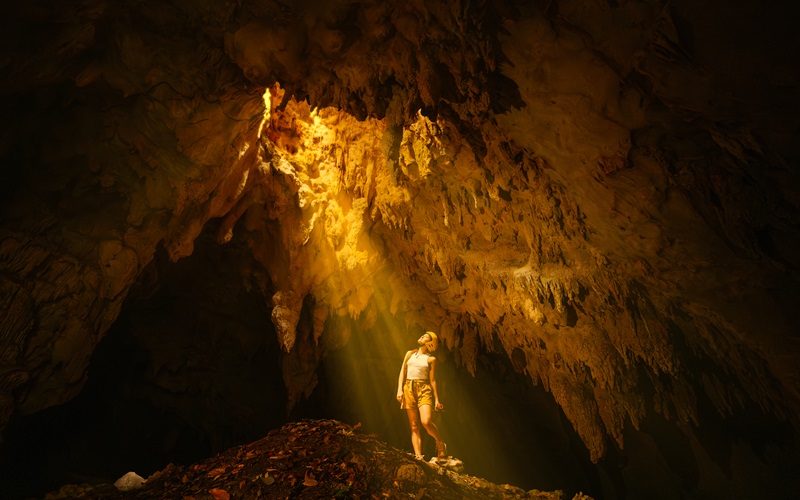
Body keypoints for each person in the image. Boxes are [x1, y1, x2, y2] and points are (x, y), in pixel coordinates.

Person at [396, 330, 447, 460]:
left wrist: (436, 399)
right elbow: (403, 371)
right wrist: (399, 390)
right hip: (408, 387)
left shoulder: (431, 359)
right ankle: (418, 456)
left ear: (430, 342)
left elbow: (433, 380)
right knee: (414, 425)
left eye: (425, 336)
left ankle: (440, 443)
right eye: (422, 335)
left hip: (424, 388)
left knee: (426, 422)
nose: (422, 336)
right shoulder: (409, 353)